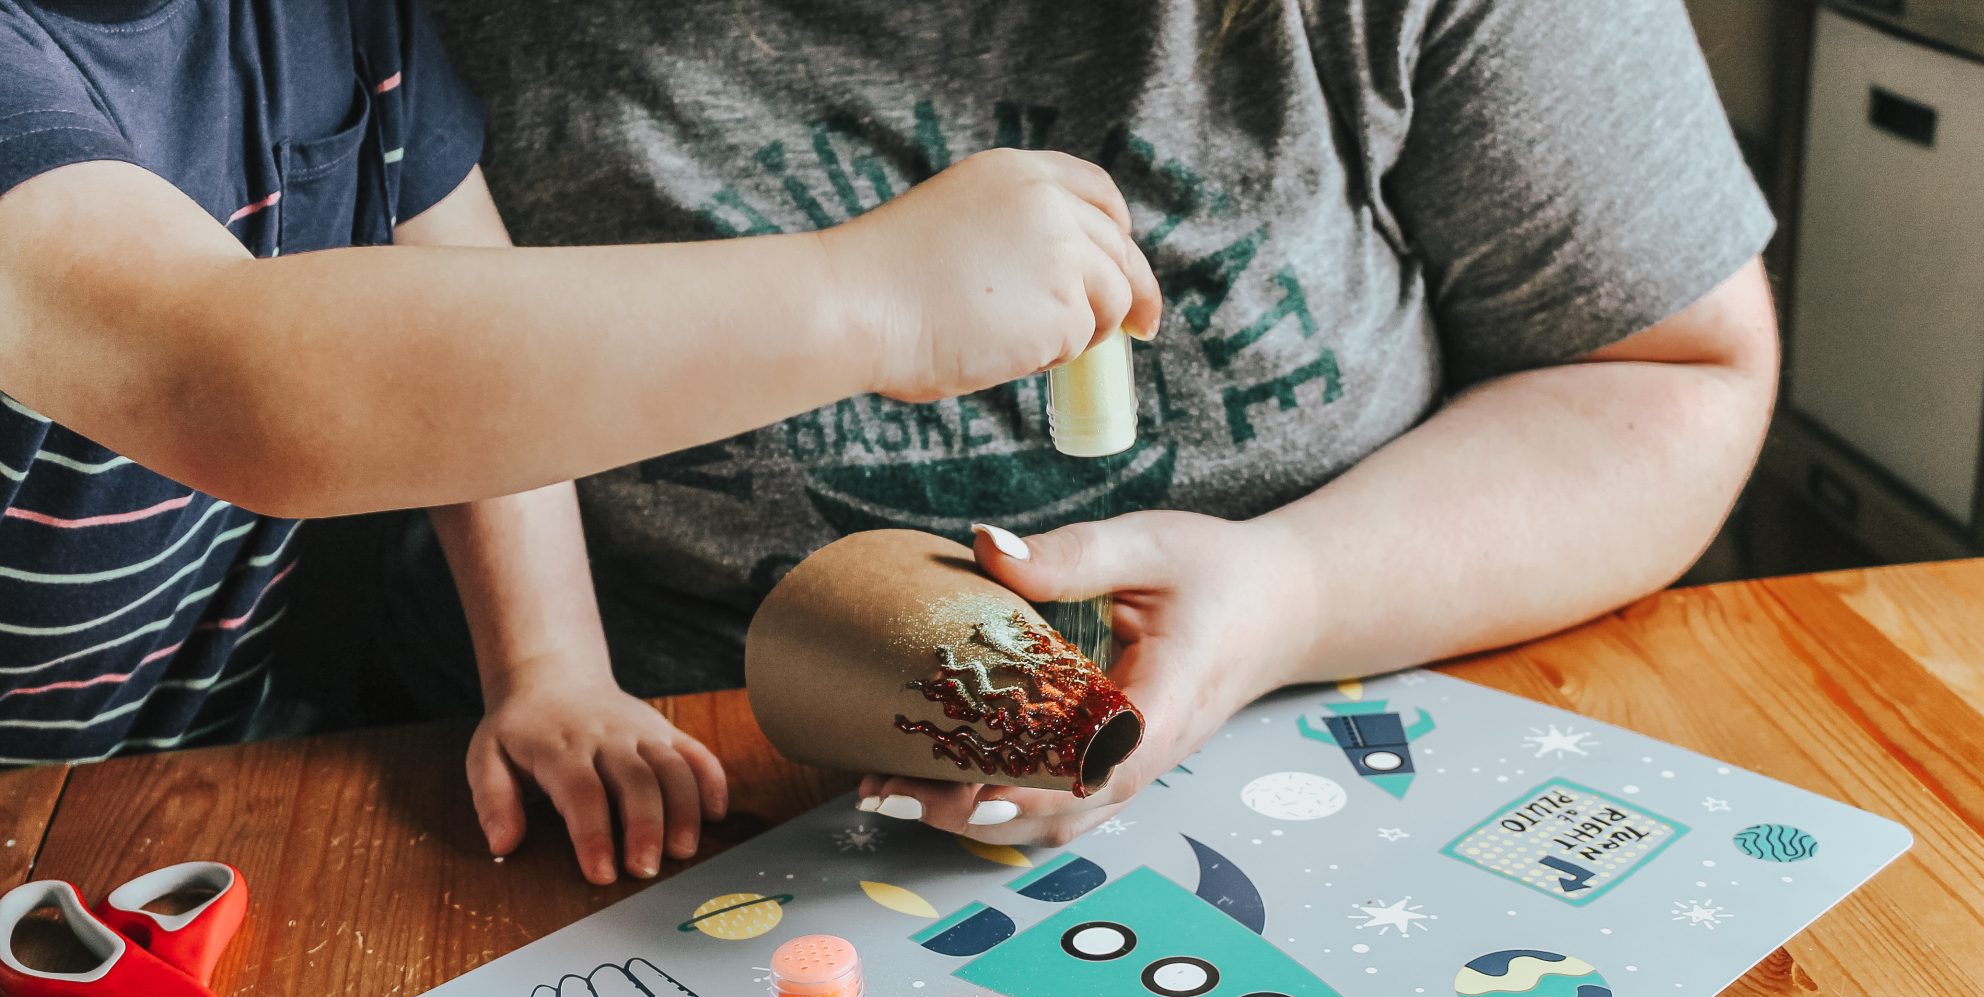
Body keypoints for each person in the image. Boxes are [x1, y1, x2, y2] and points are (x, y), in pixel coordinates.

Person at [420, 0, 1780, 847]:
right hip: (702, 791)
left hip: (1356, 727)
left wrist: (1293, 593)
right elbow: (431, 338)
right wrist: (545, 658)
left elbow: (1669, 372)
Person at [0, 1, 1160, 881]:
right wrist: (867, 298)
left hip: (176, 771)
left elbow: (469, 340)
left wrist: (547, 665)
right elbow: (224, 377)